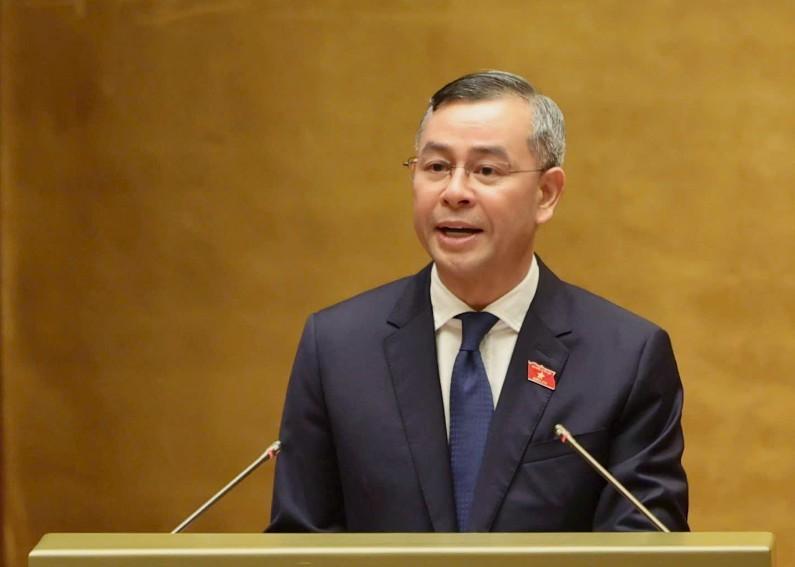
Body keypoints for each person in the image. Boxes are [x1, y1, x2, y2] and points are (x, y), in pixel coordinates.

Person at [267, 70, 688, 533]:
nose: (454, 192)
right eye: (436, 167)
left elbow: (645, 547)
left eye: (486, 171)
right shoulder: (337, 348)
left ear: (546, 194)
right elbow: (300, 544)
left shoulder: (625, 358)